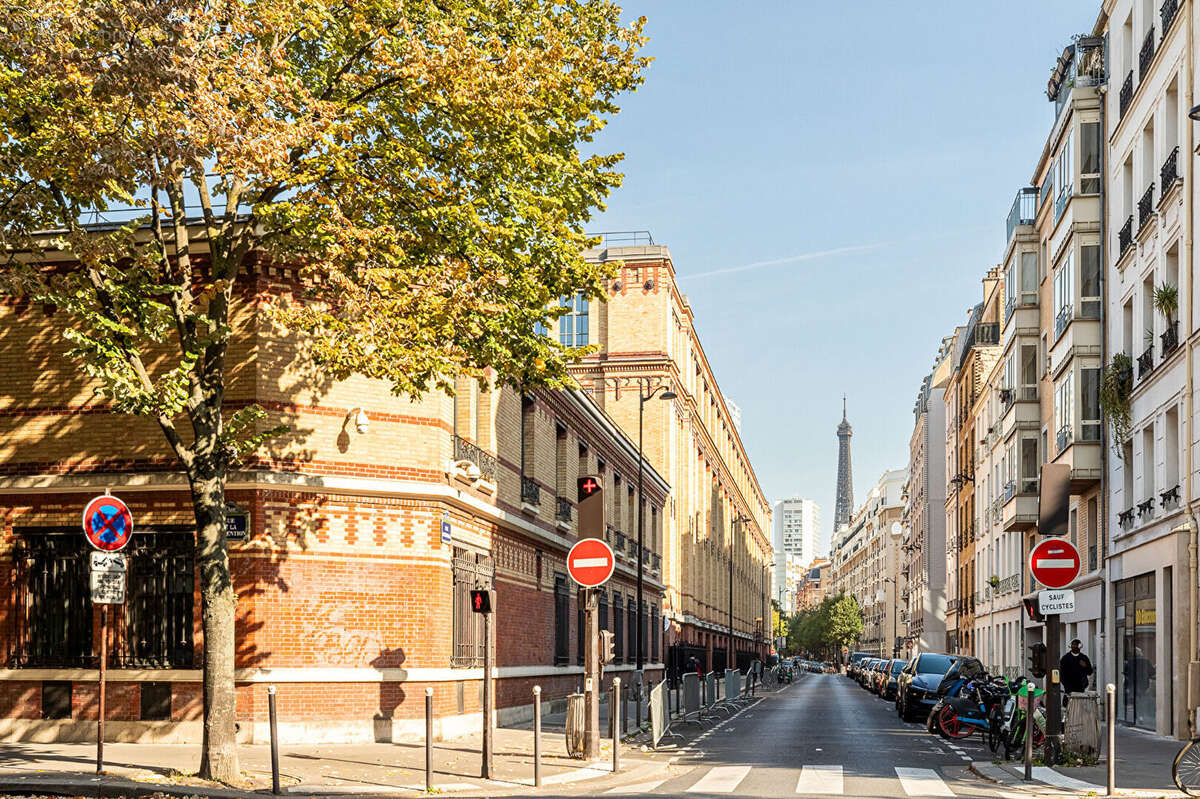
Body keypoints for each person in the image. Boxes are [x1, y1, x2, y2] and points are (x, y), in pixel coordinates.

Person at [1059, 638, 1094, 706]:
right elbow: (1061, 673)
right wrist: (1065, 684)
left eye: (1076, 645)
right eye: (1073, 644)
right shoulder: (1065, 658)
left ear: (1079, 646)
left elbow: (1090, 672)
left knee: (1079, 705)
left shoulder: (1084, 658)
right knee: (1069, 705)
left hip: (1080, 687)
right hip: (1069, 687)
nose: (1074, 646)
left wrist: (1085, 666)